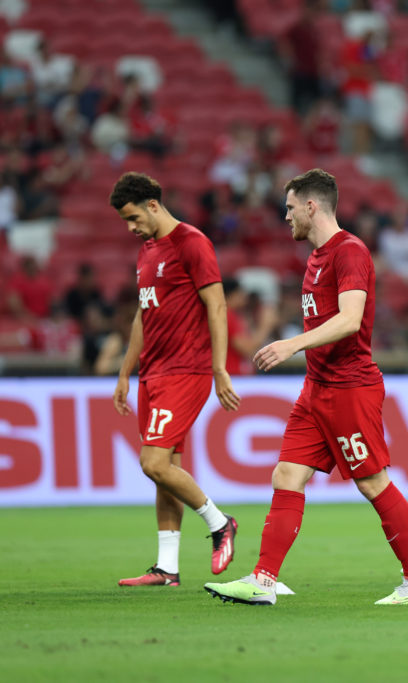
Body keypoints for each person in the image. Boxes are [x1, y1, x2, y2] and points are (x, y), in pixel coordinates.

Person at [204, 169, 408, 606]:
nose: (285, 215)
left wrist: (291, 343)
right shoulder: (314, 258)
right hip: (318, 388)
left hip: (350, 387)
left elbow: (350, 320)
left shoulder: (349, 252)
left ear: (312, 206)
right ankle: (264, 579)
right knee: (286, 474)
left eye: (290, 207)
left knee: (372, 483)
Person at [109, 172, 241, 587]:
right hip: (153, 372)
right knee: (165, 470)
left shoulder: (192, 242)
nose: (130, 228)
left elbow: (216, 305)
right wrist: (126, 371)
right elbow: (142, 316)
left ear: (152, 205)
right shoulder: (147, 251)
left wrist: (220, 368)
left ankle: (221, 523)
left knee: (153, 462)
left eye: (132, 217)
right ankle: (167, 567)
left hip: (187, 371)